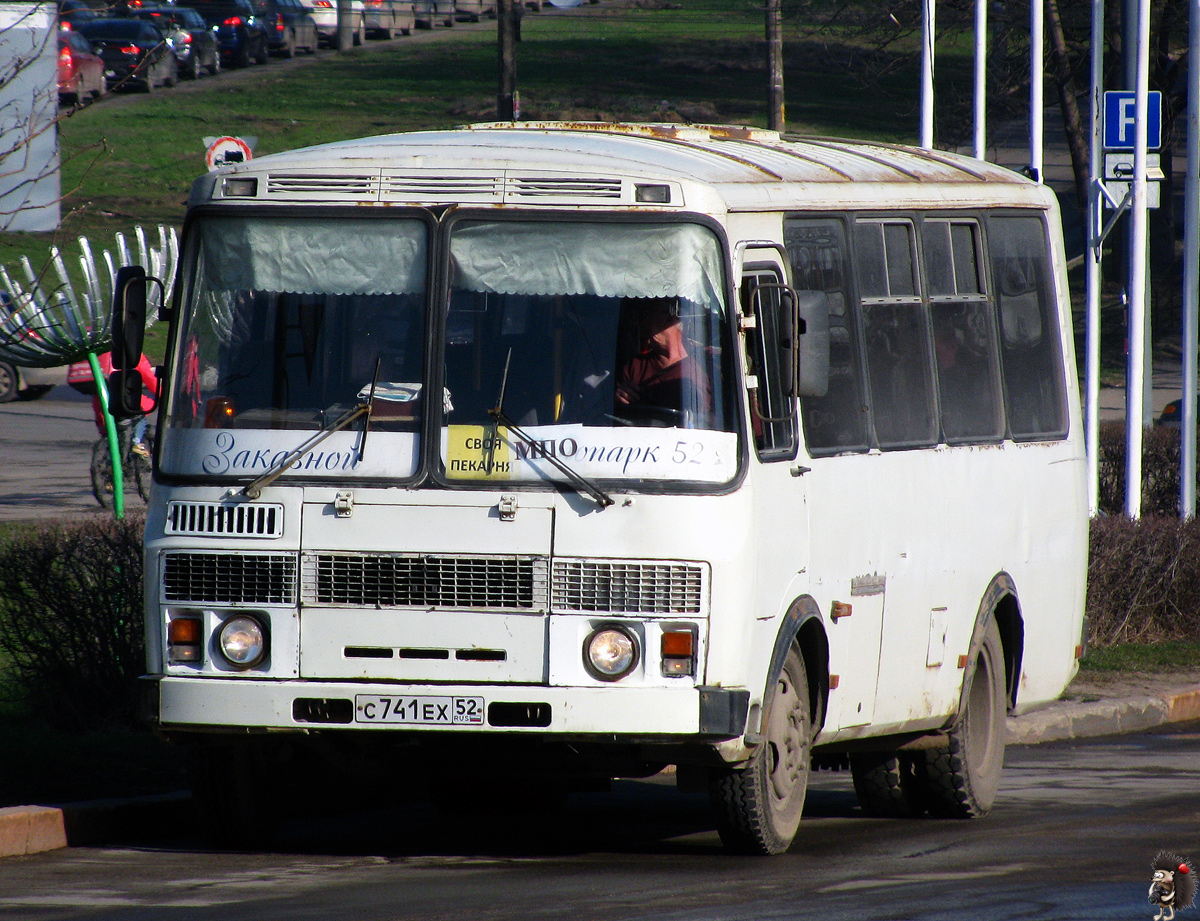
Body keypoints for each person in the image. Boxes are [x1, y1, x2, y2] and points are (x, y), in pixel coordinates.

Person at [613, 297, 712, 423]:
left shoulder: (701, 366)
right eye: (644, 319)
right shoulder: (634, 366)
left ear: (672, 321)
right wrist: (619, 397)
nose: (644, 324)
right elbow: (615, 413)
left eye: (655, 315)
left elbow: (707, 419)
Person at [91, 351, 159, 456]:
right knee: (139, 415)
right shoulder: (131, 354)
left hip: (102, 406)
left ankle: (109, 454)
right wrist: (163, 395)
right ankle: (137, 442)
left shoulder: (98, 353)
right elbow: (149, 378)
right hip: (126, 402)